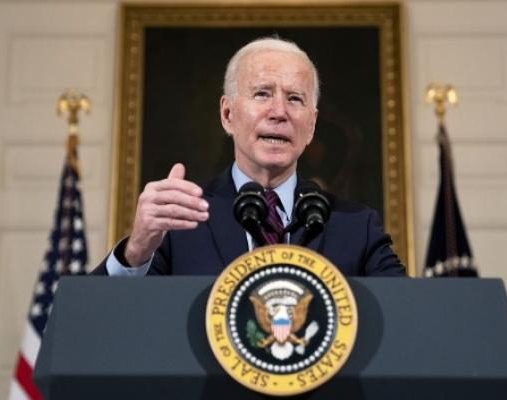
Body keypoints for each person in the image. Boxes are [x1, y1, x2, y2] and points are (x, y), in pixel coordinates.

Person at [92, 37, 405, 277]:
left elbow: (412, 316)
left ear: (310, 126)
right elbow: (94, 323)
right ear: (227, 114)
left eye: (295, 98)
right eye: (262, 94)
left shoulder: (356, 227)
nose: (279, 112)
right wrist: (135, 252)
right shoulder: (179, 221)